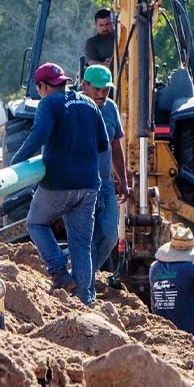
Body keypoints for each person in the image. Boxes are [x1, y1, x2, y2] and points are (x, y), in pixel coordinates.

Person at [10, 62, 109, 306]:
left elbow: (38, 136)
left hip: (59, 183)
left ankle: (59, 272)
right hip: (88, 186)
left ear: (42, 86)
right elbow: (103, 145)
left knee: (36, 222)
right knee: (81, 245)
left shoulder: (48, 104)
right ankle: (85, 298)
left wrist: (16, 162)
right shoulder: (89, 104)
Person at [80, 65, 129, 286]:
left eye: (106, 90)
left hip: (106, 184)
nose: (101, 94)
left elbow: (116, 146)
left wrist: (124, 181)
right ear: (84, 85)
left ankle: (83, 276)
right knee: (86, 238)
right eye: (97, 89)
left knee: (109, 236)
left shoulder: (110, 109)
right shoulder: (74, 108)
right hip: (80, 185)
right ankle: (83, 283)